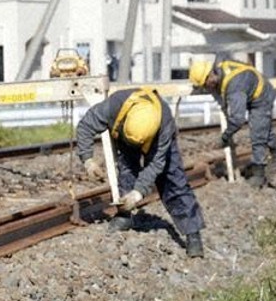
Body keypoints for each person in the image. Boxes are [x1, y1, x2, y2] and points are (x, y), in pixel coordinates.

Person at [76, 87, 205, 258]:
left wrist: (137, 194)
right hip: (125, 135)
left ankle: (192, 234)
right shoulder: (115, 106)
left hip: (158, 137)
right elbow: (86, 125)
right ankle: (124, 214)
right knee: (127, 167)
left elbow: (155, 165)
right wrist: (88, 161)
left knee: (173, 180)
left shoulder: (164, 126)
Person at [188, 56, 276, 188]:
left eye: (206, 85)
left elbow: (238, 120)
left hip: (262, 94)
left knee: (258, 133)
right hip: (250, 88)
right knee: (264, 129)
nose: (207, 89)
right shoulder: (218, 76)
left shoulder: (234, 85)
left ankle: (259, 175)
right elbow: (219, 96)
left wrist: (225, 136)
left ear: (210, 75)